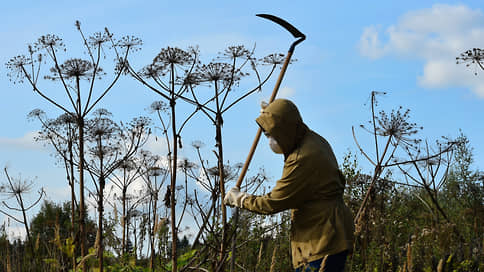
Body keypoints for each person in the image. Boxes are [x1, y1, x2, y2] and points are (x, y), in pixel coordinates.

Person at [224, 99, 354, 272]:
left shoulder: (302, 158)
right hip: (328, 235)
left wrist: (240, 199)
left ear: (284, 131)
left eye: (272, 134)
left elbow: (273, 202)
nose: (270, 140)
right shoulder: (313, 139)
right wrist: (271, 113)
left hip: (320, 241)